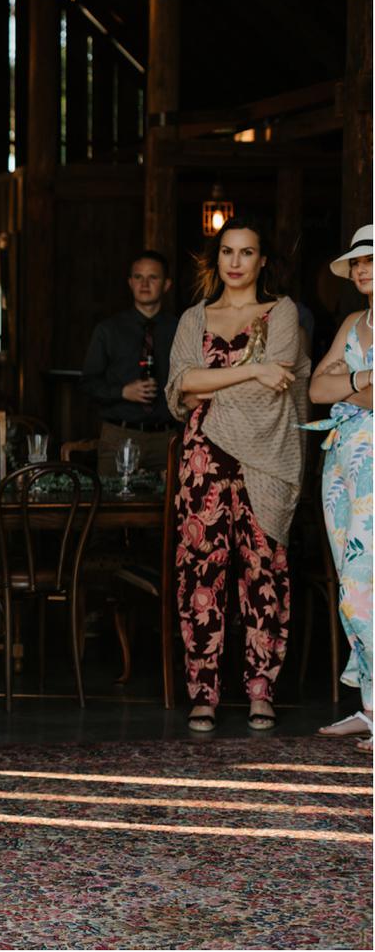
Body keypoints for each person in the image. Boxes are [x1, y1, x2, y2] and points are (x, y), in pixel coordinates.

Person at [165, 219, 309, 733]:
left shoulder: (282, 312)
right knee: (200, 573)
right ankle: (203, 692)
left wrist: (209, 385)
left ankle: (260, 689)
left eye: (247, 253)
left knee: (262, 573)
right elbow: (181, 386)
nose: (235, 262)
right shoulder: (193, 318)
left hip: (264, 460)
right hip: (202, 460)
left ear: (262, 261)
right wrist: (250, 369)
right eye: (227, 251)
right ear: (215, 258)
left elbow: (281, 378)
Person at [305, 225, 373, 752]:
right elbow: (316, 389)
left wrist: (344, 386)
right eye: (356, 263)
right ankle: (370, 707)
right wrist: (359, 384)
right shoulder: (354, 321)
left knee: (362, 585)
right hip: (339, 468)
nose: (361, 269)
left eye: (370, 260)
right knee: (347, 581)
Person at [79, 250, 180, 474]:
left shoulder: (180, 329)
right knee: (111, 505)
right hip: (119, 436)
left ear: (166, 284)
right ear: (130, 282)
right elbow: (88, 384)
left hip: (168, 438)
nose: (144, 283)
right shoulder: (108, 330)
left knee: (171, 507)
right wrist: (122, 391)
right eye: (138, 277)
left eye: (153, 277)